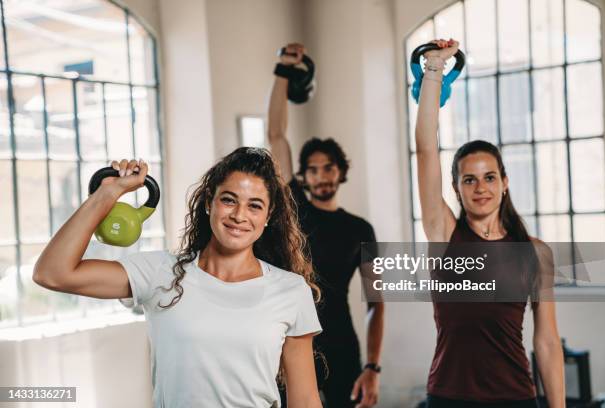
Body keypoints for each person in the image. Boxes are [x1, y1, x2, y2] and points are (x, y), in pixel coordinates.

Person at [33, 148, 323, 408]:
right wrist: (106, 195)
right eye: (229, 200)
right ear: (210, 201)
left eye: (254, 205)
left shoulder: (290, 290)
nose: (239, 215)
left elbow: (306, 400)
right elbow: (52, 273)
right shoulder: (160, 272)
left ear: (269, 214)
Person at [415, 38, 565, 407]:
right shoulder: (444, 234)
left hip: (513, 396)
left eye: (489, 177)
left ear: (504, 182)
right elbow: (425, 148)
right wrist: (433, 69)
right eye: (469, 179)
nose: (480, 187)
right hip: (449, 397)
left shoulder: (534, 253)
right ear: (456, 188)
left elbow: (546, 342)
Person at [268, 43, 384, 408]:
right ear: (304, 175)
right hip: (291, 335)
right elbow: (276, 135)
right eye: (313, 169)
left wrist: (373, 367)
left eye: (328, 168)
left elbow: (376, 302)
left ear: (341, 172)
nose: (321, 176)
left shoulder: (361, 228)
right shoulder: (294, 206)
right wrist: (283, 71)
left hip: (341, 342)